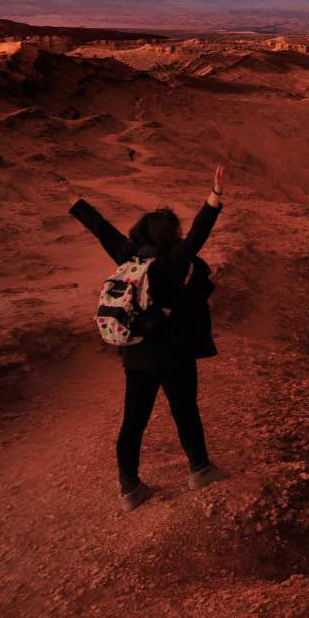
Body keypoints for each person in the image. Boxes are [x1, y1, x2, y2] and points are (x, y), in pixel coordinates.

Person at [68, 165, 231, 512]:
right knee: (185, 409)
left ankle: (129, 488)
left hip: (135, 354)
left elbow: (102, 230)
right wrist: (214, 196)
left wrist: (76, 202)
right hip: (173, 353)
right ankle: (200, 469)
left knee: (134, 420)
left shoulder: (127, 256)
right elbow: (200, 232)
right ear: (170, 235)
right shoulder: (171, 261)